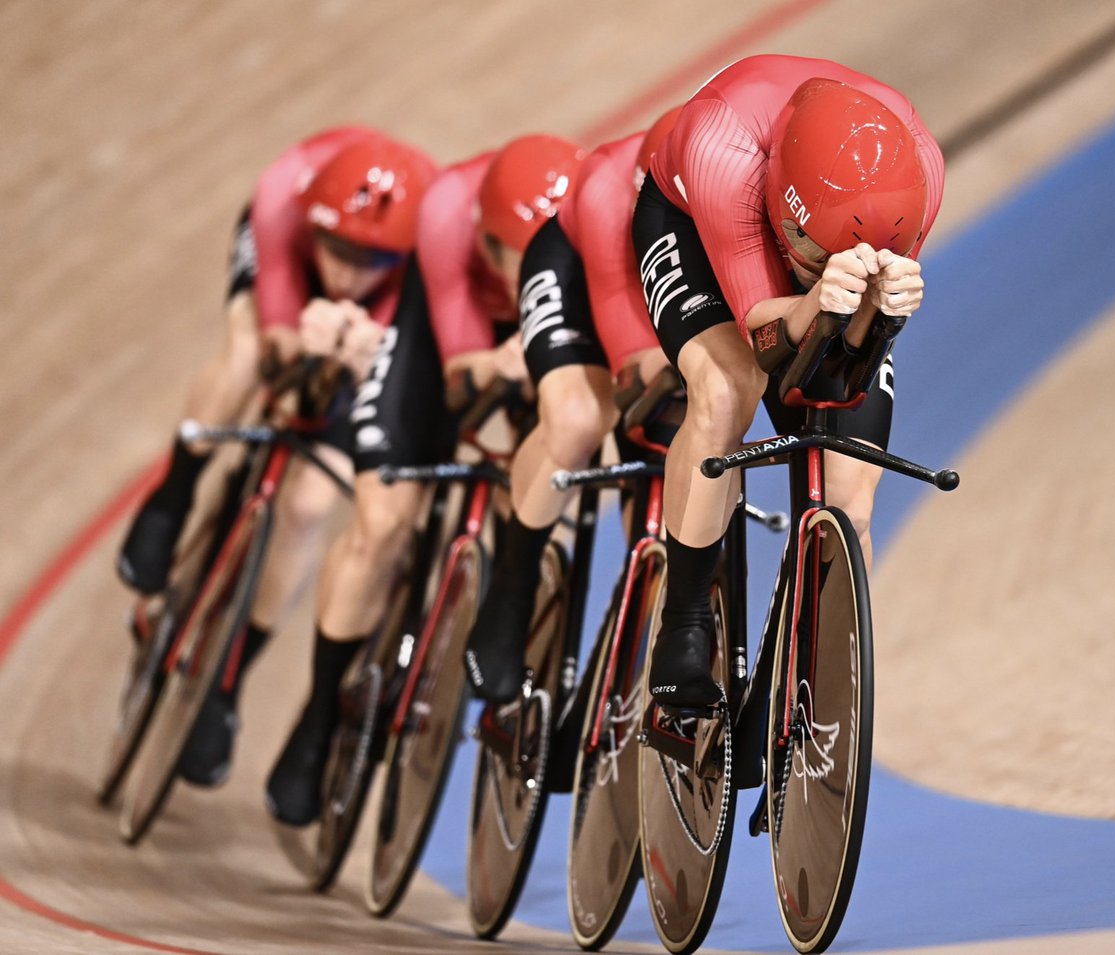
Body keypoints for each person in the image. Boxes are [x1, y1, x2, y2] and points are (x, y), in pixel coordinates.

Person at [265, 131, 587, 823]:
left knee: (544, 489)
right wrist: (497, 366)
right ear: (488, 240)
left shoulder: (580, 240)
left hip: (537, 341)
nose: (532, 277)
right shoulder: (447, 214)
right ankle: (318, 716)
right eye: (520, 261)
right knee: (381, 525)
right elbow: (461, 379)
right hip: (438, 338)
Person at [116, 126, 438, 788]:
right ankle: (174, 496)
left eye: (369, 260)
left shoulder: (423, 261)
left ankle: (227, 679)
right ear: (315, 225)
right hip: (283, 269)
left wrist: (357, 357)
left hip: (378, 318)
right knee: (245, 357)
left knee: (308, 504)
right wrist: (295, 349)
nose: (347, 273)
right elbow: (277, 344)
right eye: (337, 251)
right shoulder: (281, 199)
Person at [630, 55, 945, 707]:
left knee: (851, 497)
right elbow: (764, 341)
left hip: (818, 234)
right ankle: (684, 622)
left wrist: (882, 310)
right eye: (813, 254)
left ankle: (819, 690)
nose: (818, 268)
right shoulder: (724, 150)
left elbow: (846, 364)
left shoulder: (921, 171)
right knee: (726, 390)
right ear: (785, 212)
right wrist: (814, 300)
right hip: (695, 225)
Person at [462, 108, 682, 703]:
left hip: (664, 281)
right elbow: (628, 356)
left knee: (685, 460)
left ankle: (625, 653)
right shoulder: (608, 187)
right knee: (581, 418)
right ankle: (511, 594)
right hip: (585, 269)